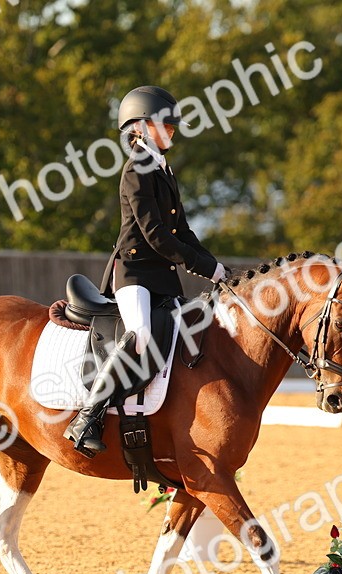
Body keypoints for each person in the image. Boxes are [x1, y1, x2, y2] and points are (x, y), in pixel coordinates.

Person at [64, 85, 228, 457]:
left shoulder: (163, 169)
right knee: (138, 336)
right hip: (134, 273)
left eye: (173, 124)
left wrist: (219, 269)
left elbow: (183, 232)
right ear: (139, 127)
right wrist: (204, 268)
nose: (172, 130)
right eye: (165, 124)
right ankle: (88, 417)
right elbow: (156, 236)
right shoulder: (136, 170)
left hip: (162, 279)